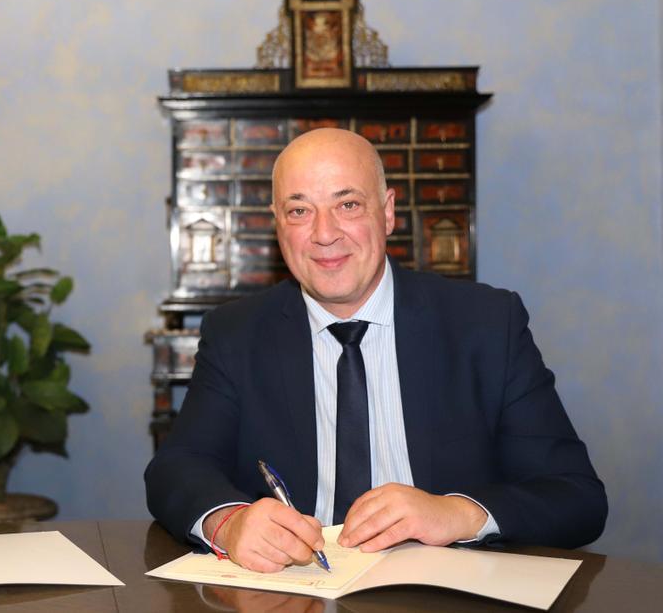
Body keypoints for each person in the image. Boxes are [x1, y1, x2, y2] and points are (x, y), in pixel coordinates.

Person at [144, 128, 606, 573]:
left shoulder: (486, 325)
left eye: (347, 204)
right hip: (294, 593)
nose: (325, 234)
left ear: (387, 212)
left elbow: (576, 497)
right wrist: (229, 522)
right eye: (299, 211)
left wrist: (457, 514)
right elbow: (177, 468)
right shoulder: (236, 333)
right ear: (277, 224)